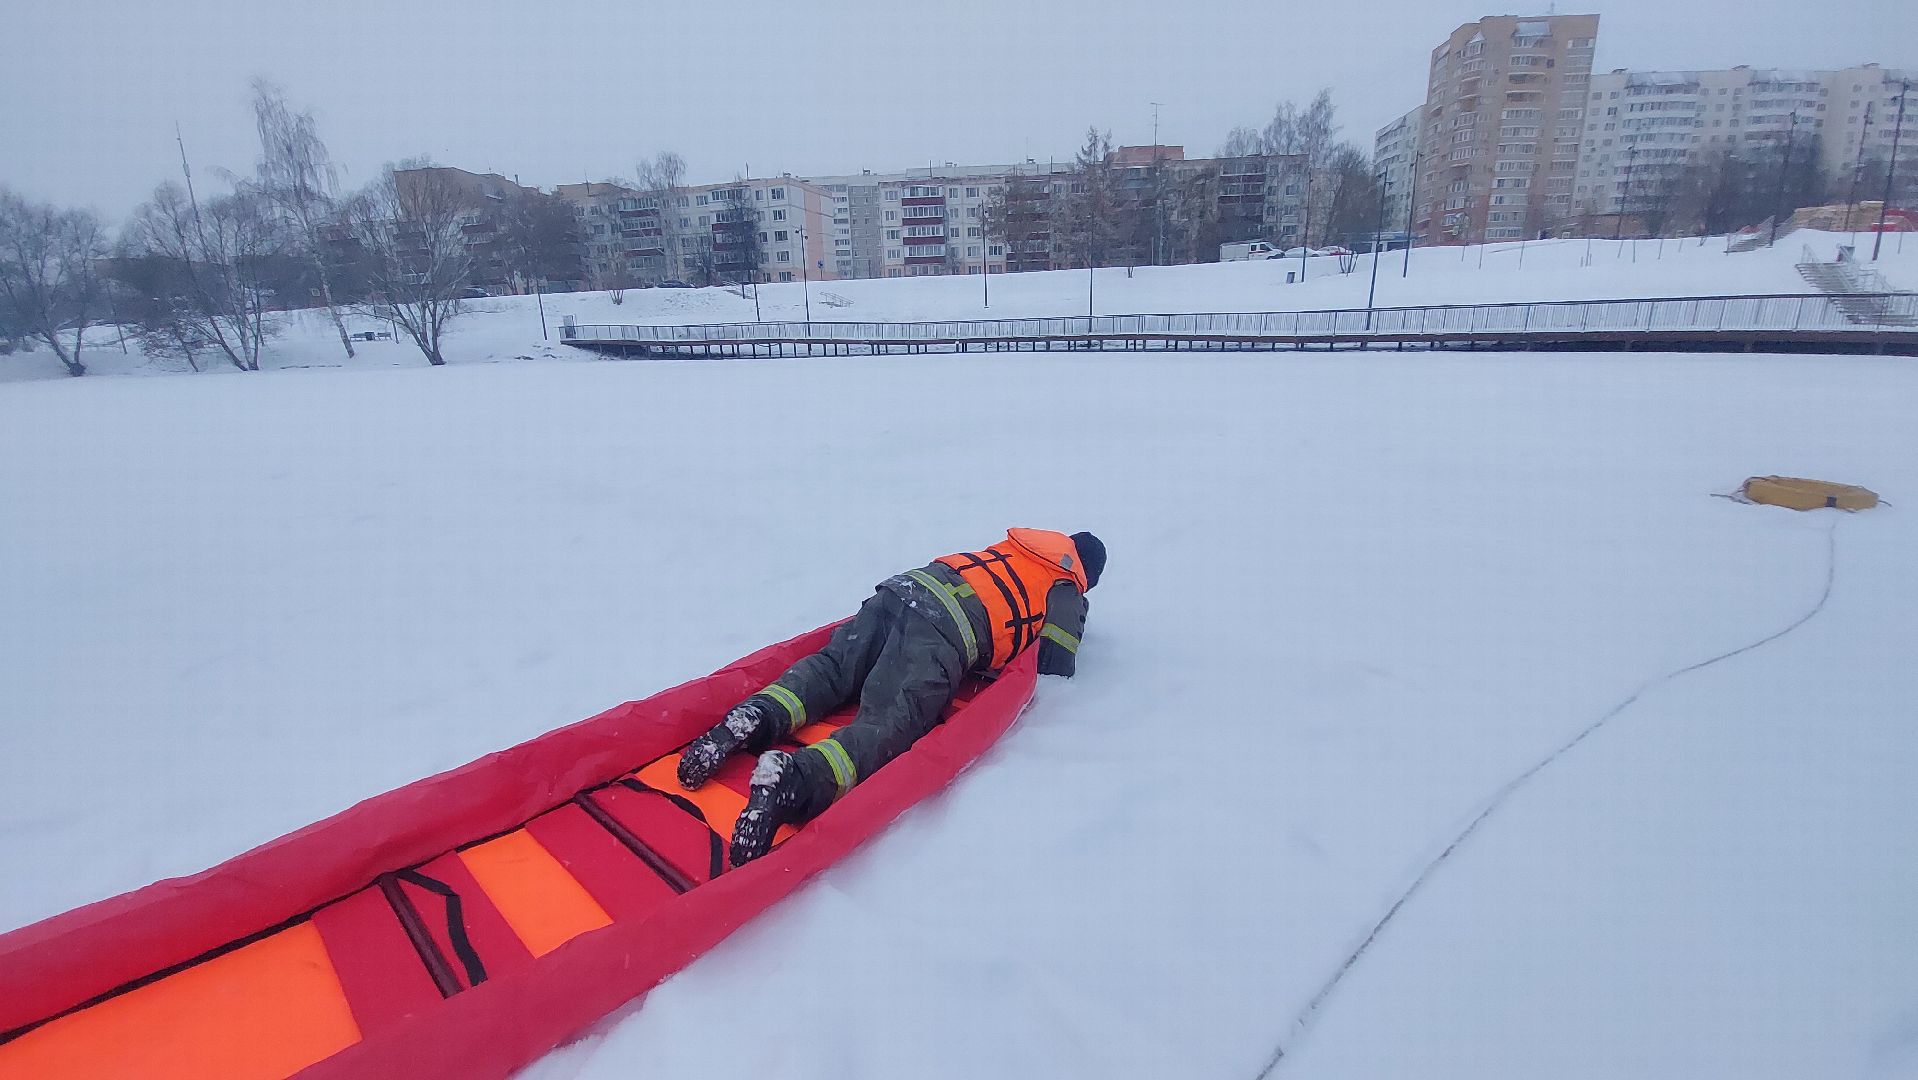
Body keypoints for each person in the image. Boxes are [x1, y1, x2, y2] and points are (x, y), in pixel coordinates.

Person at [678, 528, 1106, 865]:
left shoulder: (1016, 547)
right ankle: (793, 782)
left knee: (833, 669)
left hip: (903, 591)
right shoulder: (1065, 585)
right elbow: (1055, 664)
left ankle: (753, 716)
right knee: (889, 722)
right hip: (941, 633)